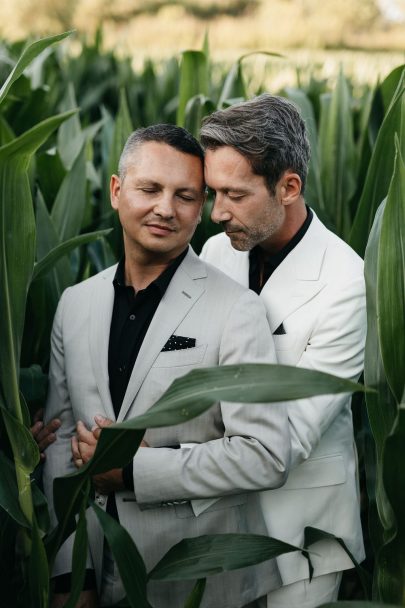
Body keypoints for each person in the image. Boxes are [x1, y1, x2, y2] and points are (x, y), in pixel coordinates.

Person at [43, 124, 290, 608]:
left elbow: (266, 454)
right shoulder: (75, 304)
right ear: (117, 191)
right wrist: (70, 575)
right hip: (91, 576)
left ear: (200, 210)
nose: (164, 208)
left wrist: (135, 471)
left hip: (202, 582)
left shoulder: (237, 309)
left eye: (185, 196)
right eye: (149, 189)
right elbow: (59, 444)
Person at [199, 94, 366, 608]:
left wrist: (147, 461)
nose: (215, 213)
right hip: (213, 525)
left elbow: (286, 440)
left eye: (234, 194)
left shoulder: (346, 283)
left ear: (288, 186)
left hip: (301, 536)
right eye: (211, 192)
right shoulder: (215, 252)